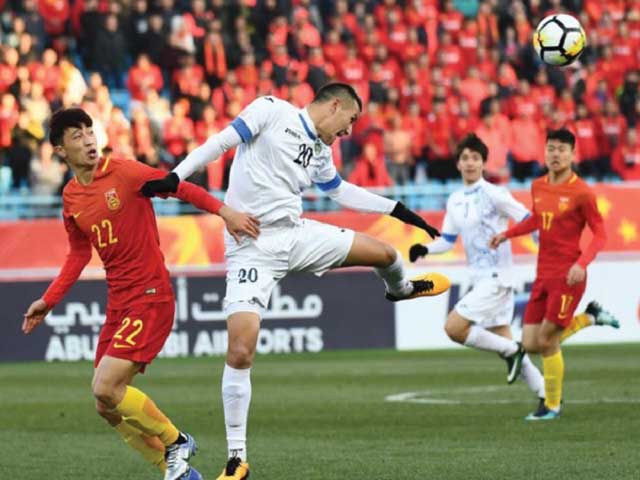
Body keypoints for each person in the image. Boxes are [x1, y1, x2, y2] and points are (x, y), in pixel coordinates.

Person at [141, 83, 447, 479]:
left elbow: (340, 192)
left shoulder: (321, 151)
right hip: (251, 245)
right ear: (335, 105)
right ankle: (237, 459)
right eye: (351, 120)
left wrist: (399, 210)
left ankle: (401, 289)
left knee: (386, 254)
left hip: (297, 236)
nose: (349, 132)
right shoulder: (271, 110)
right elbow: (220, 143)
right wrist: (176, 177)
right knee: (240, 351)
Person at [22, 108, 260, 480]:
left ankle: (176, 440)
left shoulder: (125, 172)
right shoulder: (71, 197)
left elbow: (178, 185)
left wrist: (225, 211)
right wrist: (49, 300)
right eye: (76, 135)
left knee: (106, 385)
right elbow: (80, 254)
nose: (88, 139)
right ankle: (178, 472)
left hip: (150, 295)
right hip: (118, 302)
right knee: (106, 404)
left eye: (89, 130)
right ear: (59, 150)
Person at [490, 129, 619, 420]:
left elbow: (600, 234)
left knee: (547, 341)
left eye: (562, 149)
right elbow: (537, 219)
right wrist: (507, 234)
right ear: (544, 152)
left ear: (573, 154)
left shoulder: (582, 192)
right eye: (551, 149)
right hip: (542, 273)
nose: (555, 154)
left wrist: (581, 264)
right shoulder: (538, 186)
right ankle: (590, 317)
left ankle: (552, 405)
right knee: (532, 343)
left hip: (568, 275)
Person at [409, 133, 547, 404]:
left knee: (454, 328)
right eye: (465, 158)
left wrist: (536, 239)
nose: (470, 163)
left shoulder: (495, 194)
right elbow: (448, 241)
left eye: (475, 158)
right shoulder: (455, 200)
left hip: (497, 277)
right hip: (481, 278)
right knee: (502, 341)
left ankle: (514, 351)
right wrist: (425, 249)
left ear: (484, 163)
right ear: (458, 164)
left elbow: (528, 219)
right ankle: (547, 395)